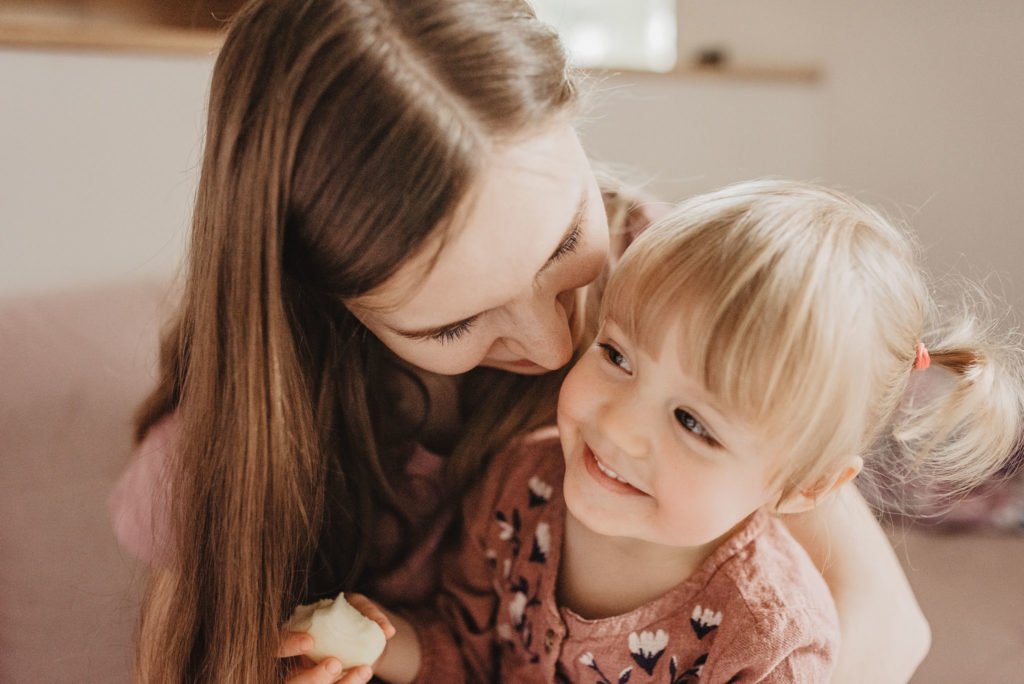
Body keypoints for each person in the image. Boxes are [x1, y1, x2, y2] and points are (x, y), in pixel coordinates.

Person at [108, 1, 931, 682]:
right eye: (453, 324)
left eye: (564, 243)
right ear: (323, 304)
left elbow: (883, 621)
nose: (551, 348)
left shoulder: (676, 294)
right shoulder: (226, 455)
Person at [353, 180, 1024, 683]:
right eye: (616, 356)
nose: (618, 424)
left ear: (806, 486)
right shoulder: (521, 483)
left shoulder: (769, 642)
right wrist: (378, 645)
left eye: (693, 423)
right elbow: (468, 654)